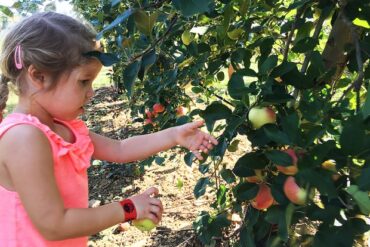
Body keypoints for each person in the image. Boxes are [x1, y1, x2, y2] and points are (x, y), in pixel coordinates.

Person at [0, 12, 218, 246]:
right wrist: (128, 208)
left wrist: (174, 135)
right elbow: (54, 224)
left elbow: (120, 149)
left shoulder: (62, 127)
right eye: (84, 81)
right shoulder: (23, 137)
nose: (92, 92)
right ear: (38, 76)